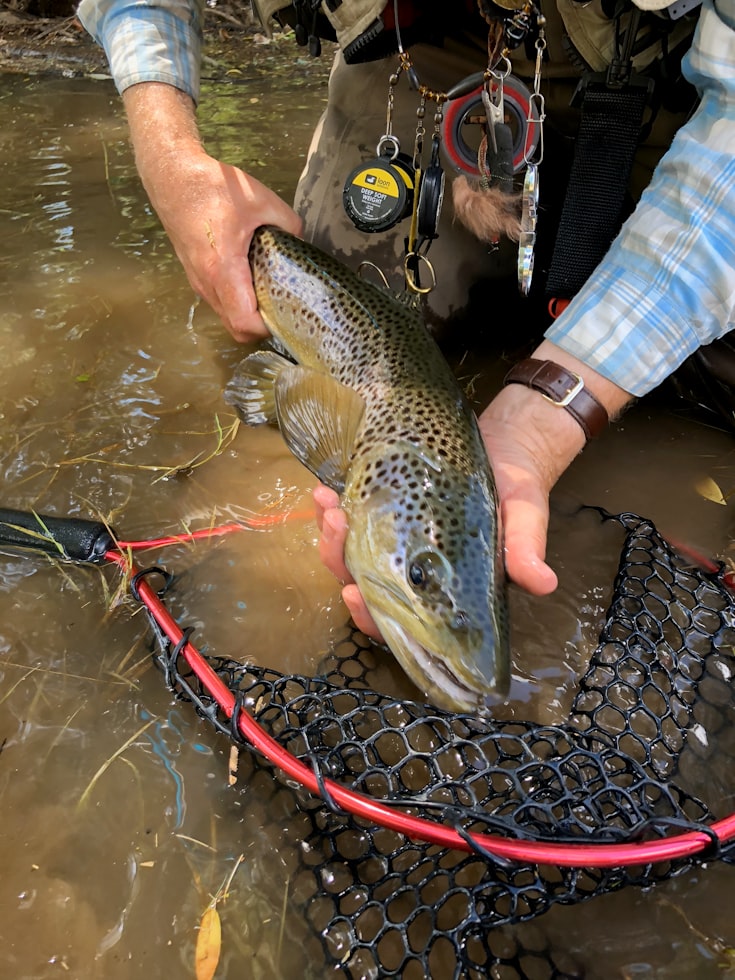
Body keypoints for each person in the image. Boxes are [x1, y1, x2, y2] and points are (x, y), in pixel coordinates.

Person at [77, 0, 735, 641]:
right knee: (313, 300)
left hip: (669, 73)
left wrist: (551, 410)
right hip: (433, 47)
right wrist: (176, 170)